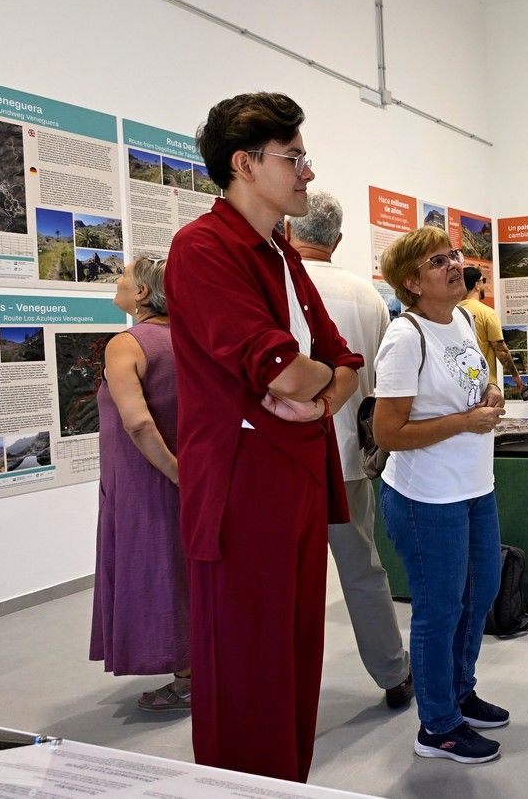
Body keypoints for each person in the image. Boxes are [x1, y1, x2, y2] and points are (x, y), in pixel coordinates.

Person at [164, 92, 364, 782]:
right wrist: (309, 385)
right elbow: (275, 364)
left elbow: (340, 360)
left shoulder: (280, 249)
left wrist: (319, 396)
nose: (307, 172)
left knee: (294, 660)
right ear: (246, 164)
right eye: (295, 157)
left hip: (298, 476)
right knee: (247, 669)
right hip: (244, 488)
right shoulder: (202, 248)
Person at [374, 226, 509, 765]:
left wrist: (490, 392)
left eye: (453, 254)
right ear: (412, 282)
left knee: (479, 594)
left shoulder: (458, 320)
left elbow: (471, 384)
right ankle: (438, 726)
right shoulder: (405, 338)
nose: (455, 264)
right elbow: (388, 433)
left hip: (474, 486)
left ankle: (459, 691)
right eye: (438, 261)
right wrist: (466, 420)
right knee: (439, 609)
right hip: (427, 497)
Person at [285, 192, 413, 710]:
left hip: (289, 456)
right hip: (351, 459)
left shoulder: (282, 283)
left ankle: (285, 690)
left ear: (290, 231)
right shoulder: (369, 294)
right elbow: (383, 380)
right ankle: (393, 673)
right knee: (363, 568)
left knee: (288, 580)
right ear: (337, 240)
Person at [89, 256, 187, 712]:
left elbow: (139, 424)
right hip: (180, 474)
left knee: (158, 573)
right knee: (183, 571)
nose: (118, 279)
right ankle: (197, 669)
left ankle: (188, 677)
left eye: (124, 275)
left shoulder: (125, 344)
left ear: (143, 293)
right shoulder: (185, 341)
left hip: (148, 479)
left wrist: (174, 473)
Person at [459, 266, 522, 394]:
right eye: (483, 281)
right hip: (484, 385)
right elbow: (501, 350)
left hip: (459, 383)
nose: (483, 286)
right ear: (477, 285)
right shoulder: (487, 313)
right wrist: (516, 376)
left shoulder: (452, 311)